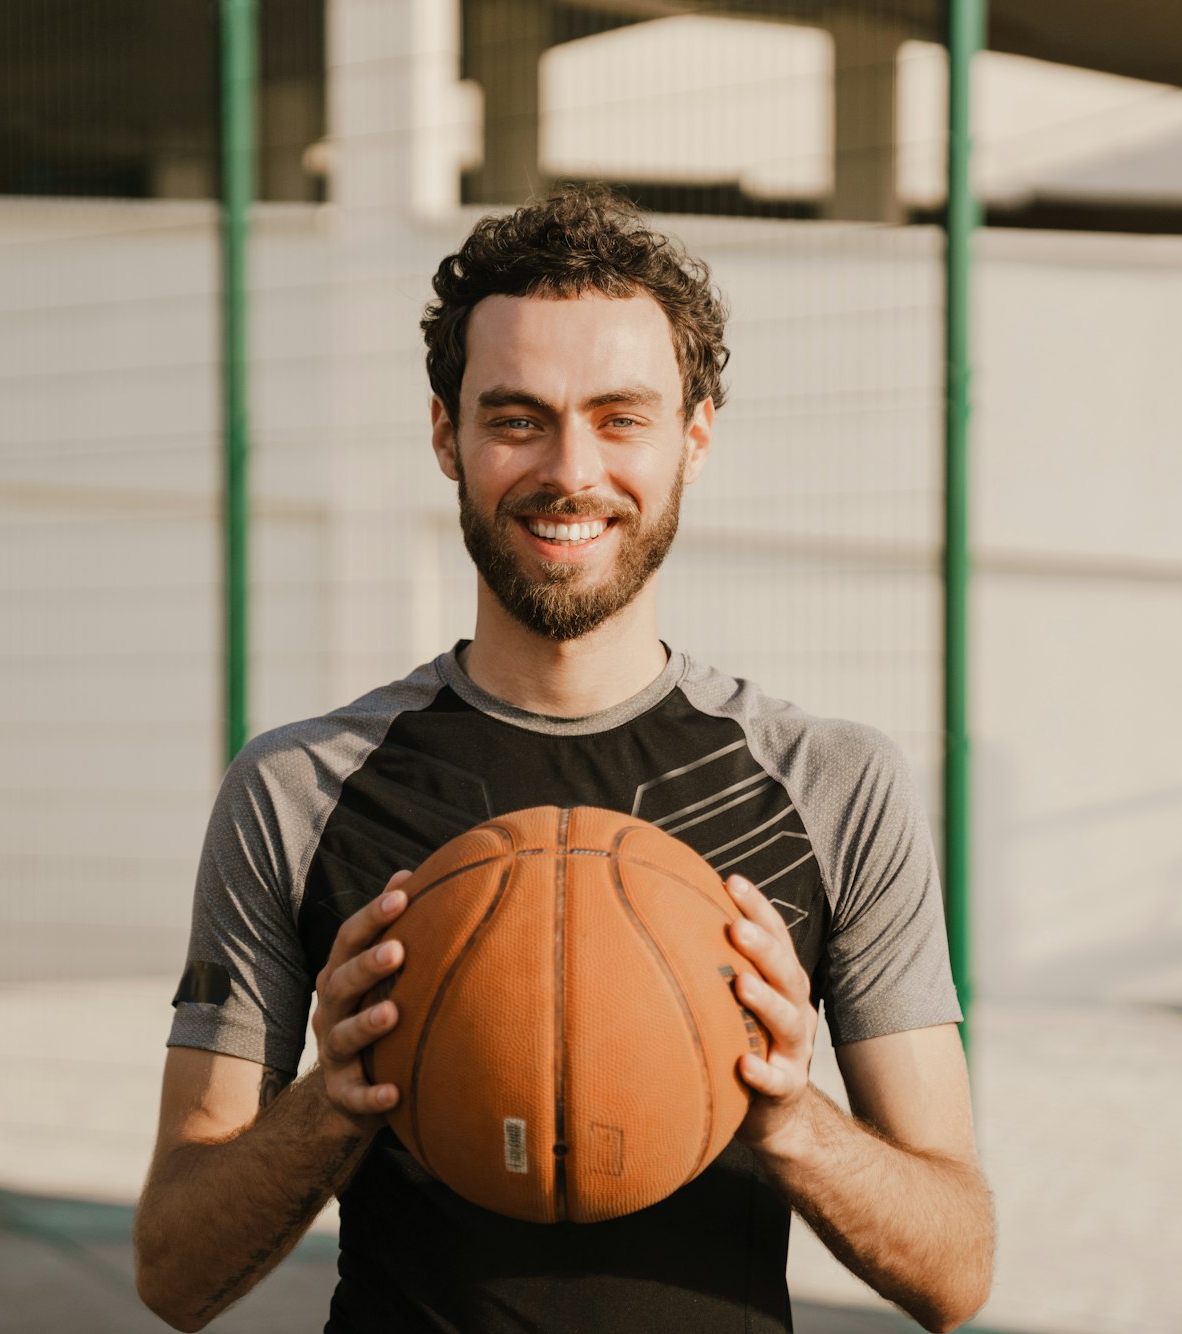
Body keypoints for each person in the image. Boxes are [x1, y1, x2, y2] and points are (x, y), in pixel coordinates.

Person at [132, 186, 995, 1334]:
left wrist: (790, 1116)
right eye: (517, 417)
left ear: (693, 436)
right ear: (446, 434)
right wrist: (327, 1107)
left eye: (618, 416)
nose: (570, 469)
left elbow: (956, 1266)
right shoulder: (298, 788)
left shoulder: (831, 783)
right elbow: (172, 1270)